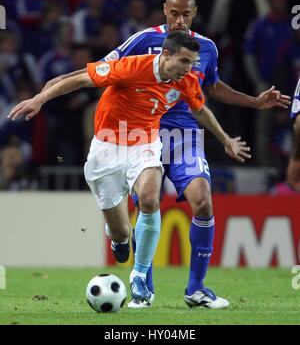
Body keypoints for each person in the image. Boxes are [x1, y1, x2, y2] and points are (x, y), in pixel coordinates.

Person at [38, 0, 290, 309]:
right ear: (165, 10)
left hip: (184, 136)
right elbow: (103, 68)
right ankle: (144, 288)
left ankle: (195, 290)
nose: (179, 20)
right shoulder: (143, 40)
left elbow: (210, 88)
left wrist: (253, 102)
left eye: (186, 14)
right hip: (140, 133)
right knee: (147, 200)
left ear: (195, 13)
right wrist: (50, 89)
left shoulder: (205, 49)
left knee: (203, 202)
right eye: (174, 13)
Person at [7, 31, 251, 306]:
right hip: (107, 149)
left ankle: (139, 275)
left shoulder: (187, 80)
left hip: (145, 143)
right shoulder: (131, 67)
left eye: (192, 62)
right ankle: (119, 239)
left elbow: (199, 108)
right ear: (165, 55)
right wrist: (40, 99)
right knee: (121, 232)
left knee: (149, 197)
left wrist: (225, 138)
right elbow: (81, 79)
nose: (189, 68)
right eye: (184, 61)